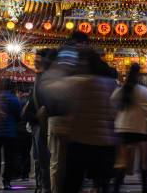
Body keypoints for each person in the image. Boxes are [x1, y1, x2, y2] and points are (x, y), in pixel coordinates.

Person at [60, 48, 118, 192]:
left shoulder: (75, 83)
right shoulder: (111, 84)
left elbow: (68, 112)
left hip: (80, 141)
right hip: (105, 142)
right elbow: (114, 113)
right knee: (103, 183)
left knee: (72, 182)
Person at [40, 31, 88, 193]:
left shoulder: (60, 54)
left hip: (58, 115)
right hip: (63, 115)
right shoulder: (70, 54)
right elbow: (64, 83)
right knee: (61, 161)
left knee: (60, 161)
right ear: (81, 42)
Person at [111, 63, 147, 193]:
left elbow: (113, 100)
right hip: (139, 128)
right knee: (143, 162)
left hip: (122, 128)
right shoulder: (142, 90)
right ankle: (144, 188)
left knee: (121, 162)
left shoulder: (123, 89)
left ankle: (116, 188)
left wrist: (118, 113)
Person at [23, 48, 57, 193]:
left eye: (37, 60)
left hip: (46, 126)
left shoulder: (49, 79)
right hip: (38, 125)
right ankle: (43, 186)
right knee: (40, 160)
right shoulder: (40, 77)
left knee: (46, 160)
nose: (34, 63)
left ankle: (46, 187)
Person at [0, 79, 21, 190]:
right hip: (10, 133)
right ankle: (7, 181)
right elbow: (18, 115)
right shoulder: (14, 99)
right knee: (9, 158)